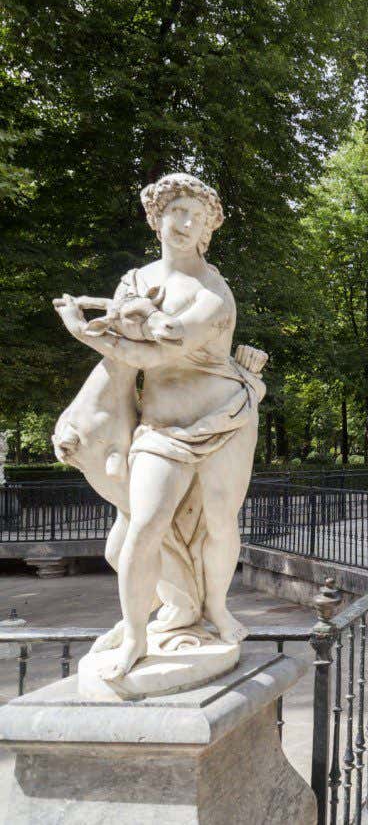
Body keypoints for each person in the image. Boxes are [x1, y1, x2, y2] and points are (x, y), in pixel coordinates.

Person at [52, 173, 266, 682]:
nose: (183, 222)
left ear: (207, 227)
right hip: (162, 425)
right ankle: (135, 635)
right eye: (176, 211)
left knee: (219, 519)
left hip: (227, 417)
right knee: (143, 525)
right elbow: (122, 362)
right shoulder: (132, 280)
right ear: (158, 218)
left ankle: (216, 608)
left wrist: (89, 333)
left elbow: (167, 344)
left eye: (195, 214)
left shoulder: (214, 290)